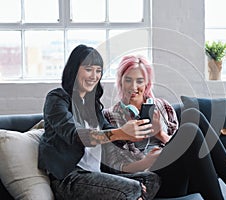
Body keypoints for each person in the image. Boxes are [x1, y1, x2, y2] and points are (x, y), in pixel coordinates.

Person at [103, 55, 226, 200]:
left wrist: (160, 134)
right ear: (120, 81)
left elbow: (187, 146)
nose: (133, 87)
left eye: (139, 81)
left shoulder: (163, 107)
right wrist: (146, 162)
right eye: (128, 80)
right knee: (190, 128)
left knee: (193, 114)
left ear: (147, 83)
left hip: (184, 173)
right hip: (153, 180)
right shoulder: (109, 116)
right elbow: (115, 168)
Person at [37, 44, 161, 200]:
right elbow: (77, 135)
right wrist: (119, 133)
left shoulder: (92, 104)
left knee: (151, 179)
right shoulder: (57, 98)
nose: (94, 76)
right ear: (74, 69)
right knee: (133, 188)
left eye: (98, 71)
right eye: (88, 69)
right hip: (70, 179)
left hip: (97, 174)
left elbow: (109, 131)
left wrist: (131, 135)